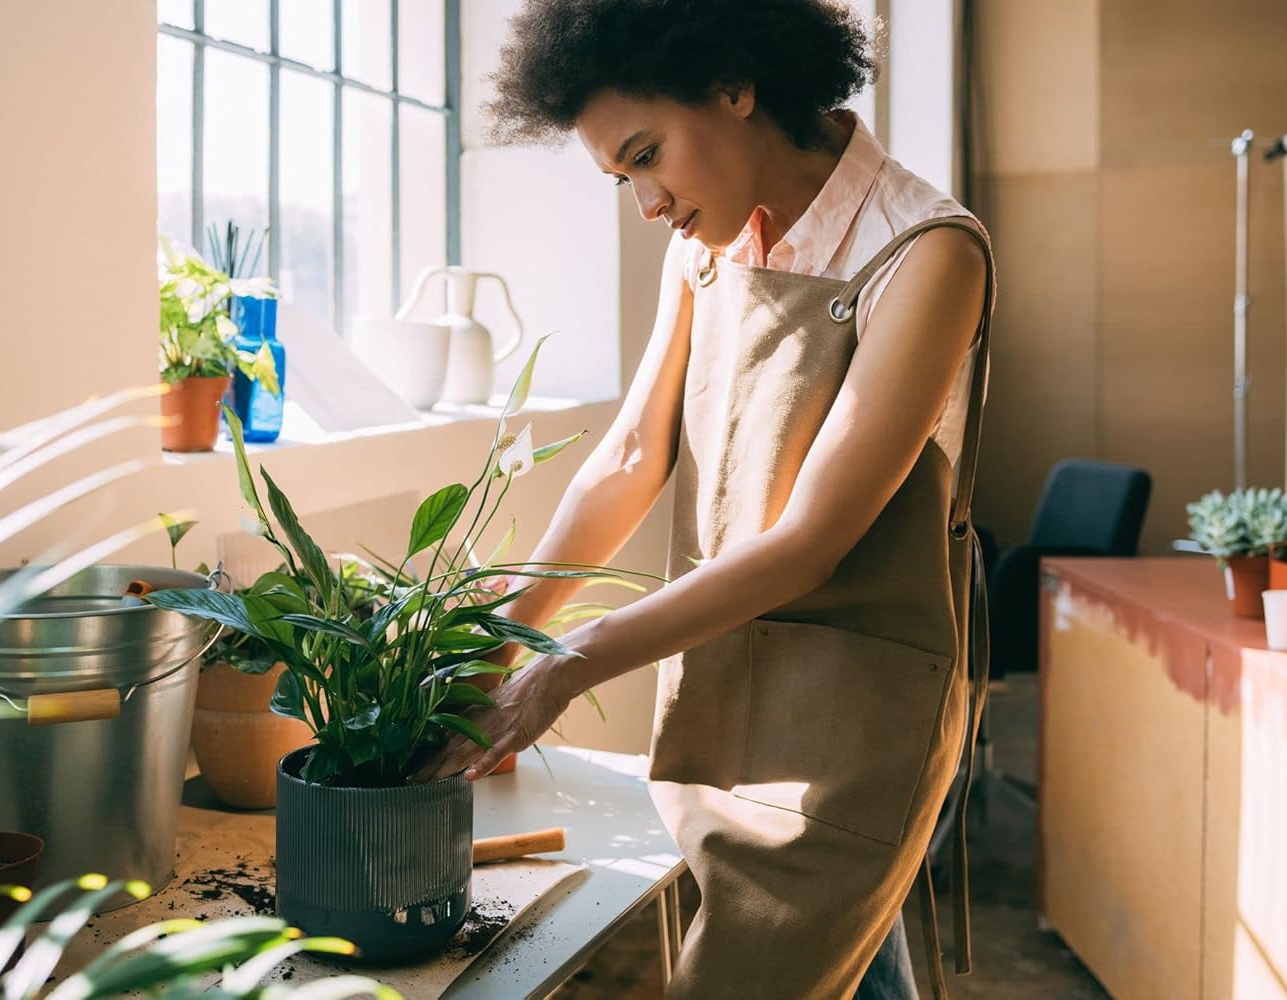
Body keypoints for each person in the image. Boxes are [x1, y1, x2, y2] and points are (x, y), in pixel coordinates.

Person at [413, 1, 994, 995]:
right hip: (722, 694)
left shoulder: (927, 251)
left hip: (855, 727)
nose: (646, 203)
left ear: (734, 84)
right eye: (620, 176)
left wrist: (569, 663)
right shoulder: (705, 250)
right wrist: (501, 641)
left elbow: (812, 541)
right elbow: (632, 454)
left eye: (647, 156)